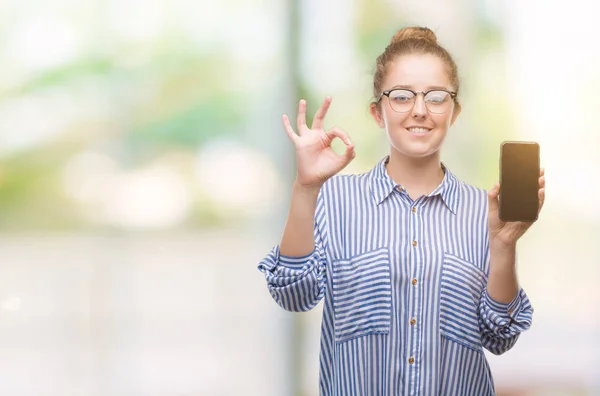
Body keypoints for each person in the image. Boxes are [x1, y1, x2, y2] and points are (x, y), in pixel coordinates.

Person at [257, 26, 545, 396]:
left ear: (453, 112)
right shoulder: (335, 199)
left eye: (437, 97)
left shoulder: (486, 210)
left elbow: (499, 337)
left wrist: (504, 245)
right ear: (377, 112)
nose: (420, 111)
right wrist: (306, 187)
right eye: (402, 96)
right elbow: (293, 295)